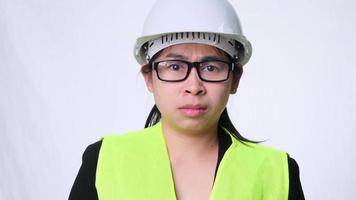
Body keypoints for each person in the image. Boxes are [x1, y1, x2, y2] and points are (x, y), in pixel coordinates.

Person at [69, 0, 305, 199]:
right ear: (149, 77)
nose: (193, 86)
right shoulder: (104, 160)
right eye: (174, 66)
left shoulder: (277, 172)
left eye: (211, 67)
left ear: (235, 79)